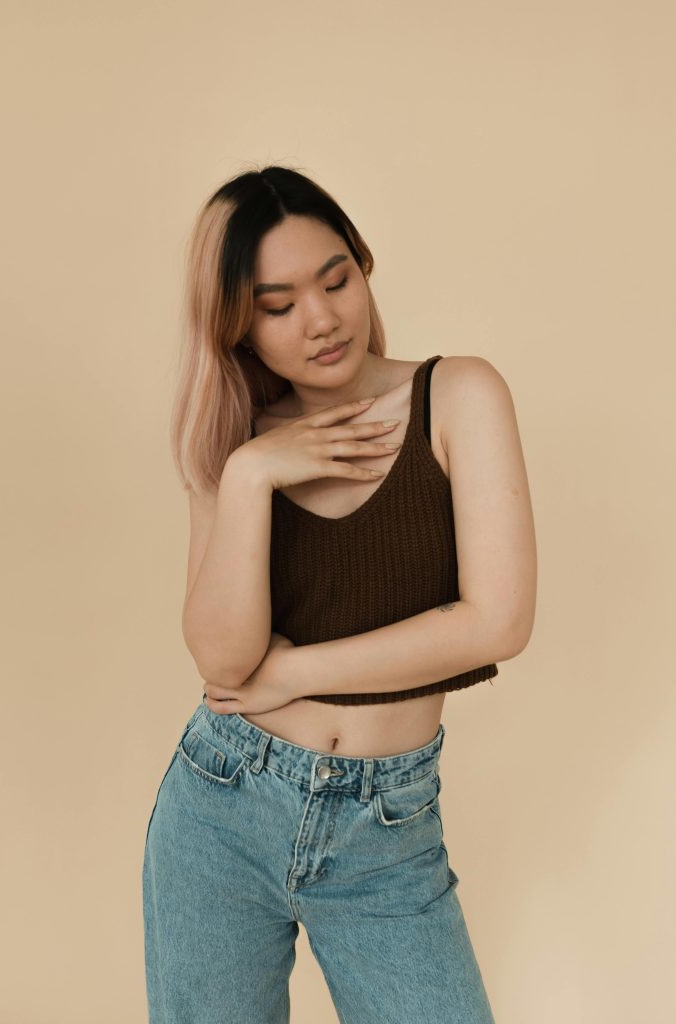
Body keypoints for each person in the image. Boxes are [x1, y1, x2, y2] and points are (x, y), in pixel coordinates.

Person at [142, 165, 537, 1023]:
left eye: (335, 280)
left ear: (363, 264)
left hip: (386, 829)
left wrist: (297, 673)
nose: (321, 319)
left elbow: (498, 622)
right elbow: (223, 661)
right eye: (279, 305)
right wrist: (250, 475)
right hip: (221, 805)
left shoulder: (457, 396)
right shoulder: (236, 442)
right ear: (240, 326)